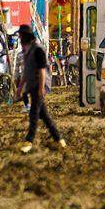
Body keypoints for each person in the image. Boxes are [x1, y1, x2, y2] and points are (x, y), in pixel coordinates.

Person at [15, 24, 65, 152]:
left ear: (26, 37)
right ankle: (58, 140)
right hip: (32, 85)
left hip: (39, 85)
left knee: (34, 114)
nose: (19, 38)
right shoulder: (28, 51)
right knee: (44, 115)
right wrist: (20, 88)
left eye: (21, 36)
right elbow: (26, 72)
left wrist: (41, 88)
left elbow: (42, 70)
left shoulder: (38, 50)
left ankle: (29, 141)